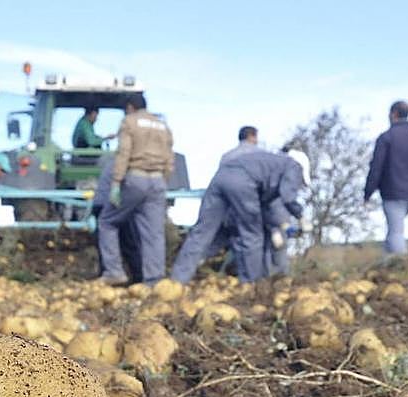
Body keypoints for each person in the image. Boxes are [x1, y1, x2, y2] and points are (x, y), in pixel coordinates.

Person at [171, 149, 304, 284]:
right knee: (252, 235)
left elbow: (266, 208)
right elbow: (288, 198)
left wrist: (280, 226)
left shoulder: (270, 166)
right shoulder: (294, 166)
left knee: (201, 233)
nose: (298, 185)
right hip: (243, 183)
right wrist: (301, 217)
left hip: (220, 178)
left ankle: (177, 280)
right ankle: (252, 285)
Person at [97, 94, 174, 285]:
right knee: (154, 233)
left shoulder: (129, 122)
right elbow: (169, 159)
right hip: (157, 181)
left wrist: (116, 183)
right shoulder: (162, 125)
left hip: (135, 178)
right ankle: (154, 280)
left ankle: (114, 271)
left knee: (107, 222)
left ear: (130, 107)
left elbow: (124, 153)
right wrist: (162, 180)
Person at [363, 100, 408, 255]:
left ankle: (401, 265)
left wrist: (367, 193)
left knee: (396, 232)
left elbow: (376, 167)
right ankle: (386, 269)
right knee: (394, 229)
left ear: (393, 114)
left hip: (392, 192)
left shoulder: (386, 138)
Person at [92, 155, 143, 282]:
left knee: (106, 240)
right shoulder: (126, 164)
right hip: (112, 203)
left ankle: (107, 273)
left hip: (101, 203)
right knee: (129, 241)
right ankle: (138, 275)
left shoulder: (115, 162)